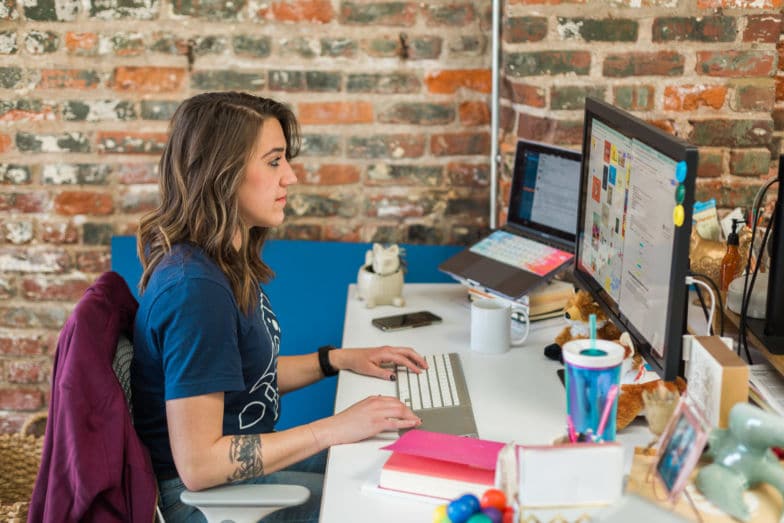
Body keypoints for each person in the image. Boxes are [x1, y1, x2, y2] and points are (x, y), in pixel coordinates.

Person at [133, 91, 425, 523]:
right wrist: (332, 429)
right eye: (274, 162)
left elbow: (244, 379)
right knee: (380, 503)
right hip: (205, 501)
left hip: (234, 482)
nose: (290, 177)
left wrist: (335, 360)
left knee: (395, 466)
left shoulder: (219, 263)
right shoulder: (195, 290)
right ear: (222, 174)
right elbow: (199, 465)